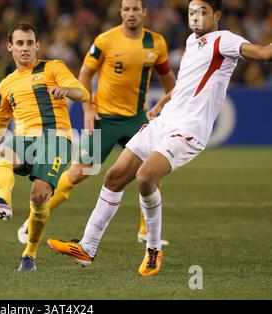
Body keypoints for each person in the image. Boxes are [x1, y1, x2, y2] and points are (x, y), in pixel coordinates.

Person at [46, 0, 271, 276]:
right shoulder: (192, 41)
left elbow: (263, 53)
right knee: (113, 177)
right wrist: (163, 102)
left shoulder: (223, 40)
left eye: (202, 12)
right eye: (192, 12)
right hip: (164, 122)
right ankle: (86, 248)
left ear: (217, 15)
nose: (196, 17)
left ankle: (153, 250)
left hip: (188, 130)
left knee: (145, 177)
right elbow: (185, 84)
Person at [17, 0, 176, 246]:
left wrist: (169, 106)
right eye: (127, 9)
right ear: (121, 12)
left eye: (136, 9)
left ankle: (145, 231)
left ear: (144, 12)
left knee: (151, 169)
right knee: (80, 172)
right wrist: (88, 107)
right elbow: (85, 74)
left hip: (136, 119)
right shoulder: (105, 40)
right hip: (104, 118)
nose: (131, 13)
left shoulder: (156, 43)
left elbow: (168, 80)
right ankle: (32, 218)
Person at [0, 23, 90, 272]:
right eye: (19, 43)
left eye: (30, 43)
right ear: (10, 47)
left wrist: (67, 91)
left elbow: (83, 93)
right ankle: (3, 201)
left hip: (56, 139)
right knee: (3, 153)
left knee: (39, 196)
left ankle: (29, 254)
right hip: (24, 139)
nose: (25, 48)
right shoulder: (6, 84)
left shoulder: (53, 68)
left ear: (37, 45)